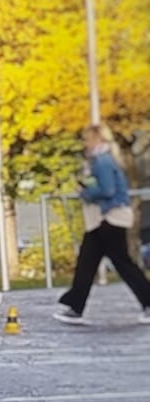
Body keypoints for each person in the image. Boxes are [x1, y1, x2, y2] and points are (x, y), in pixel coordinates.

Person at [54, 123, 150, 324]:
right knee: (89, 262)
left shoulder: (102, 161)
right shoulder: (103, 159)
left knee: (119, 263)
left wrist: (86, 193)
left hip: (110, 218)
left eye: (87, 139)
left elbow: (107, 190)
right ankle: (75, 305)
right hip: (105, 219)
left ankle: (76, 305)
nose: (84, 143)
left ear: (97, 140)